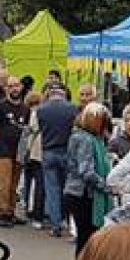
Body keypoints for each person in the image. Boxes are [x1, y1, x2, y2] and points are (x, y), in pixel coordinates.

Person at [64, 102, 113, 256]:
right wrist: (107, 187)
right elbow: (86, 171)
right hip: (83, 195)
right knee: (87, 240)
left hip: (75, 192)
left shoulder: (79, 136)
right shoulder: (87, 140)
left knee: (85, 239)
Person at [0, 74, 31, 228]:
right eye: (11, 86)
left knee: (14, 183)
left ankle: (11, 211)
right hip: (3, 148)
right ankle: (2, 213)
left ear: (21, 87)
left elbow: (28, 130)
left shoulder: (26, 109)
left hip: (19, 150)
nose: (14, 89)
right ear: (6, 89)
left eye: (16, 85)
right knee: (4, 182)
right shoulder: (0, 106)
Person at [37, 85, 79, 238]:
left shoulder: (41, 110)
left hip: (48, 151)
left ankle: (55, 225)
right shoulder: (73, 109)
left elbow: (41, 130)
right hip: (67, 151)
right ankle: (66, 220)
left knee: (52, 189)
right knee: (67, 188)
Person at [19, 90, 46, 228]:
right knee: (40, 183)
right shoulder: (43, 112)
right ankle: (37, 211)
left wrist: (25, 151)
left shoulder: (32, 114)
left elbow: (29, 132)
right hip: (41, 151)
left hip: (33, 151)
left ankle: (29, 207)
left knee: (30, 181)